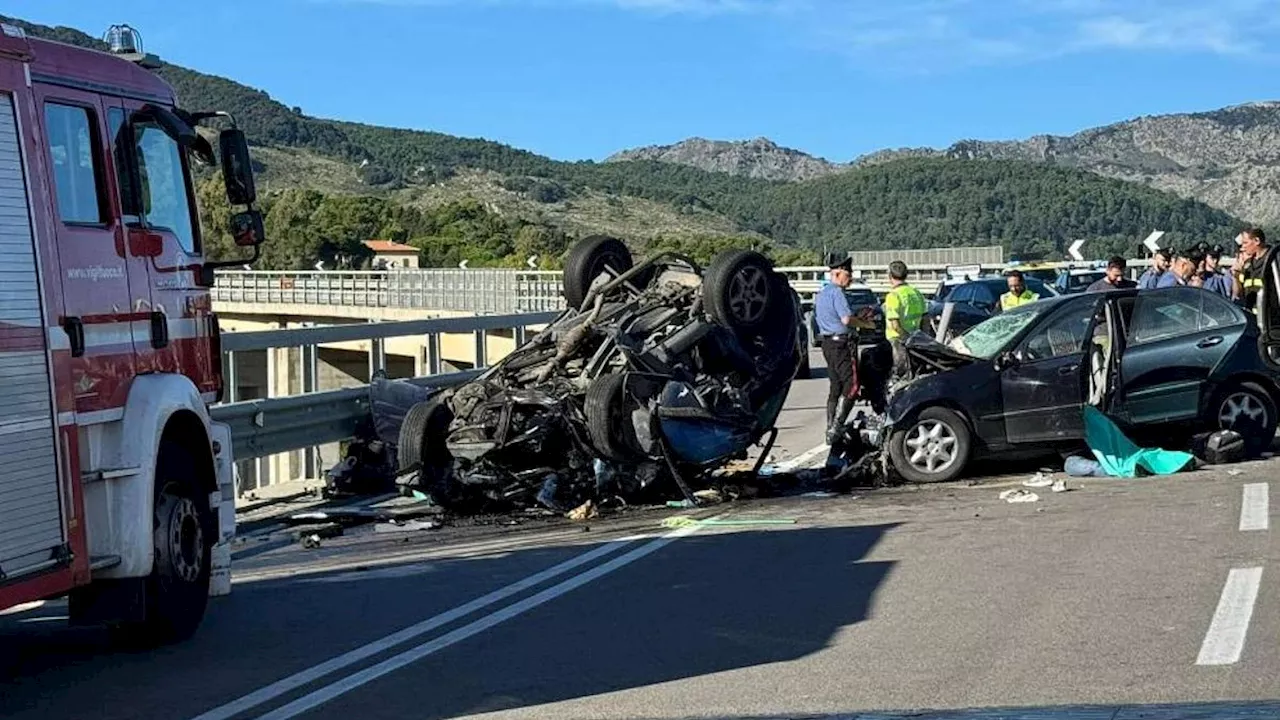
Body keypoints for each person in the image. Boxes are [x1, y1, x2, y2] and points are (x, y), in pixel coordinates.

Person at [815, 255, 875, 444]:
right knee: (852, 385)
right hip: (842, 344)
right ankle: (836, 427)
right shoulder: (838, 293)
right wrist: (866, 324)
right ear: (838, 273)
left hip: (827, 343)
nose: (850, 278)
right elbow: (846, 320)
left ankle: (830, 426)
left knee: (836, 386)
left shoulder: (822, 294)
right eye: (848, 274)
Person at [883, 260, 927, 381]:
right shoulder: (916, 293)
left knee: (900, 376)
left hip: (898, 341)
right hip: (916, 340)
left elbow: (895, 325)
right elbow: (925, 319)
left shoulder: (893, 296)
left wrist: (905, 338)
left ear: (890, 276)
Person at [1234, 228, 1269, 312]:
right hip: (1252, 316)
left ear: (1257, 241)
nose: (1243, 246)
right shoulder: (1247, 264)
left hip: (1270, 317)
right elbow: (1238, 293)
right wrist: (1236, 275)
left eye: (1245, 242)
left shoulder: (1273, 260)